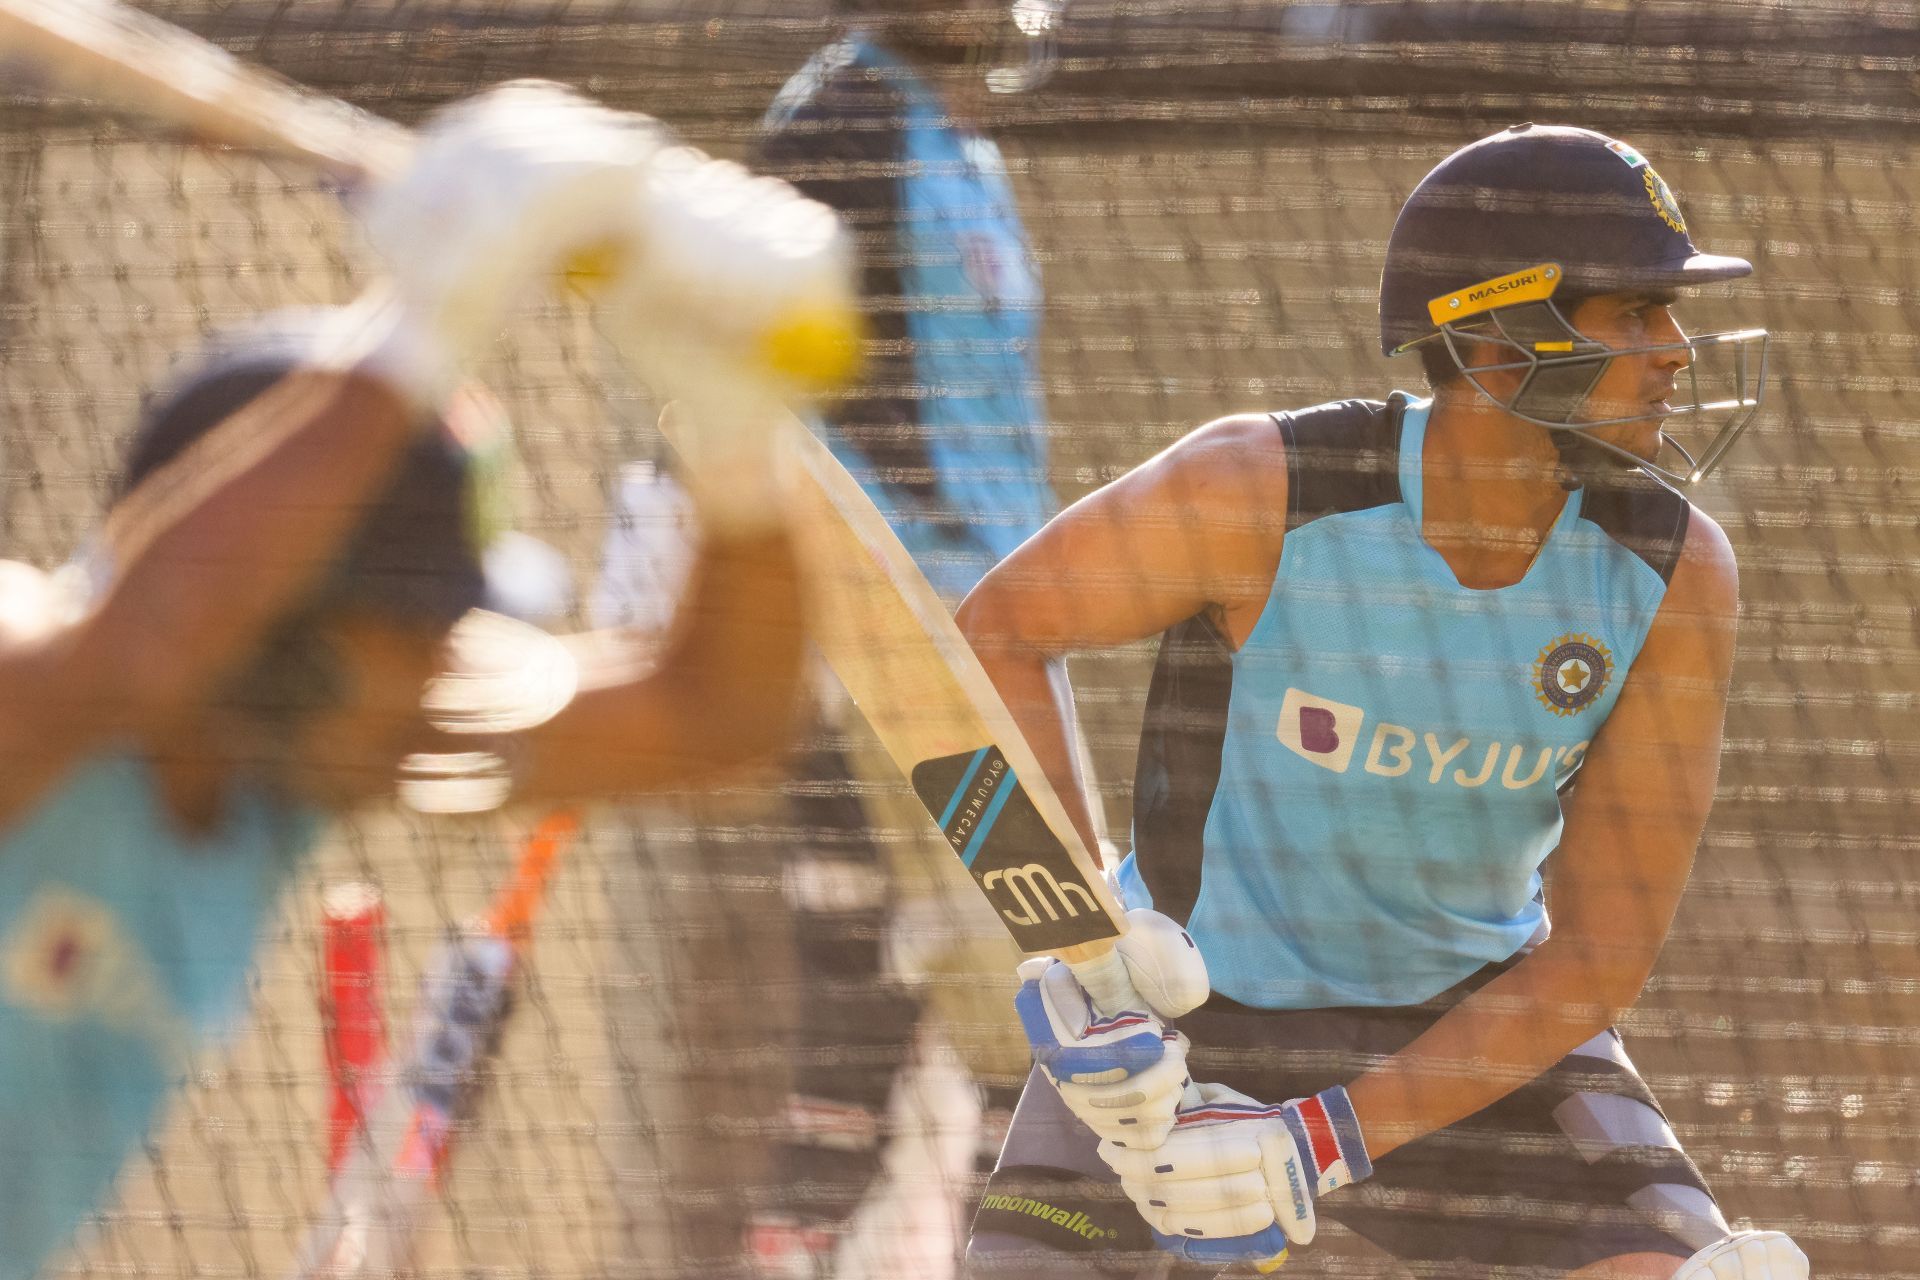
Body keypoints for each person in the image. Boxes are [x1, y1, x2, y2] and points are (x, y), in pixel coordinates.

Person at [0, 81, 848, 1280]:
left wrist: (733, 430)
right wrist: (419, 329)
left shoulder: (281, 761)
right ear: (283, 622)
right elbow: (149, 646)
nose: (452, 668)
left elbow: (719, 718)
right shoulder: (23, 657)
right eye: (419, 625)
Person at [955, 125, 1808, 1279]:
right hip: (1183, 1010)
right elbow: (992, 637)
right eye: (1636, 315)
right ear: (1499, 344)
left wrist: (1319, 1139)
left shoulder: (1673, 572)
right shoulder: (1258, 489)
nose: (1678, 350)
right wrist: (1086, 956)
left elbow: (1603, 954)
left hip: (1464, 1038)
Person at [656, 3, 1065, 1276]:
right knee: (962, 997)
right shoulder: (836, 124)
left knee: (1032, 1001)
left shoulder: (965, 148)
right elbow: (756, 382)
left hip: (995, 643)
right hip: (898, 658)